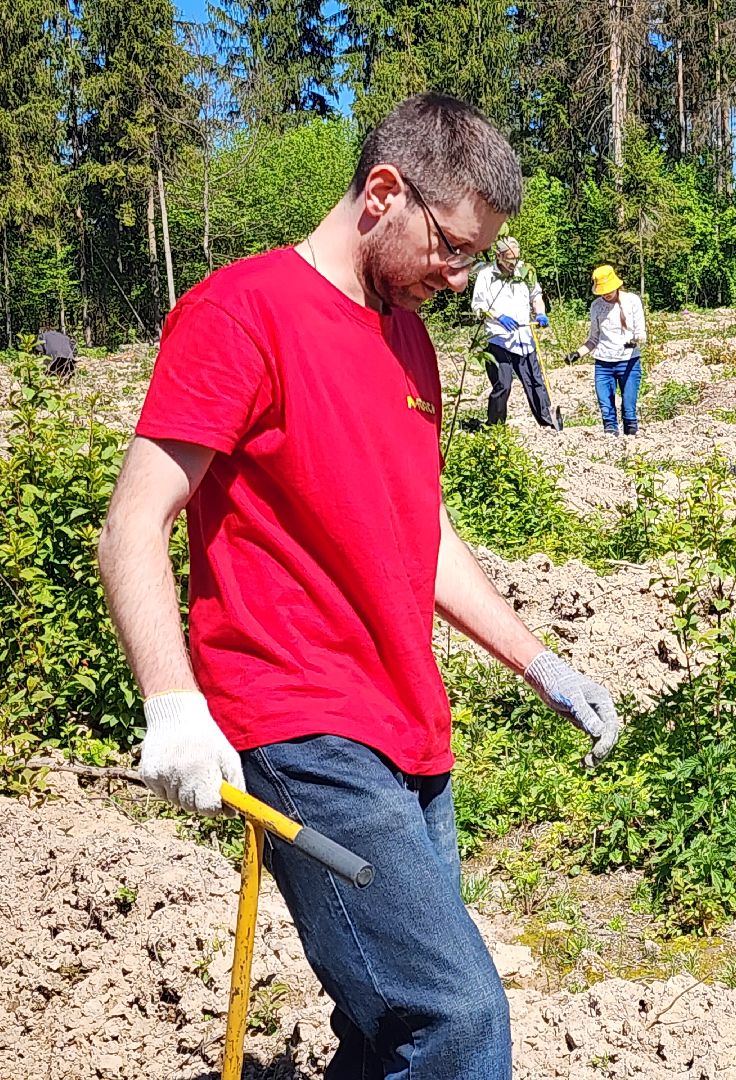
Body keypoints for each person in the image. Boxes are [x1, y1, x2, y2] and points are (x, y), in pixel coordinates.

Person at [97, 92, 621, 1080]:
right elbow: (133, 524)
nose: (460, 276)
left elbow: (418, 535)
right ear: (384, 193)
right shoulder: (241, 310)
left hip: (410, 731)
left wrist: (542, 663)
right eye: (453, 248)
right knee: (456, 1016)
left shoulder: (406, 339)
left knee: (388, 1031)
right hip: (302, 727)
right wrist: (172, 704)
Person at [470, 235, 560, 429]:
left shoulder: (524, 272)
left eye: (516, 259)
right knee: (503, 384)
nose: (513, 263)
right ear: (498, 256)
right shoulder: (486, 275)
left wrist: (541, 313)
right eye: (509, 259)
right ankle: (495, 427)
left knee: (536, 382)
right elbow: (478, 306)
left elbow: (536, 296)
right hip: (498, 339)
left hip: (525, 339)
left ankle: (548, 424)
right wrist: (498, 317)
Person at [565, 265, 646, 436]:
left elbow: (641, 333)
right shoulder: (596, 306)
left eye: (609, 290)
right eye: (602, 291)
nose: (606, 294)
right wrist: (577, 353)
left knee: (629, 407)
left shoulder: (632, 301)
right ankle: (610, 438)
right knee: (606, 406)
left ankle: (631, 438)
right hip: (603, 364)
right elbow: (593, 338)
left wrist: (634, 341)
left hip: (629, 361)